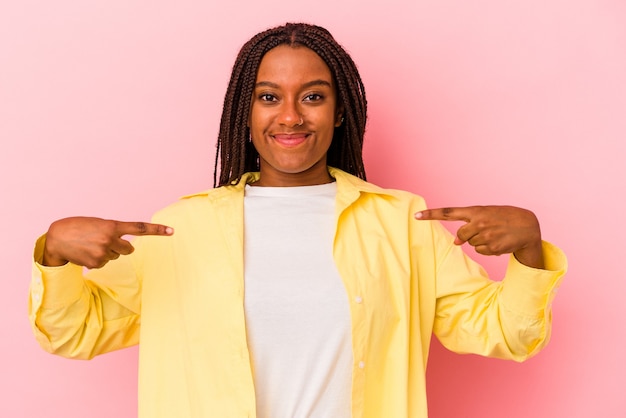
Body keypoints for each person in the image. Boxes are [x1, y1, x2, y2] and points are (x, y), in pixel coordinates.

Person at [29, 23, 567, 418]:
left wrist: (529, 252)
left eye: (313, 96)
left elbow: (506, 334)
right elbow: (74, 333)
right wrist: (55, 255)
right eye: (269, 98)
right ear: (245, 112)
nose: (290, 116)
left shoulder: (403, 223)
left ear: (339, 112)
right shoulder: (180, 230)